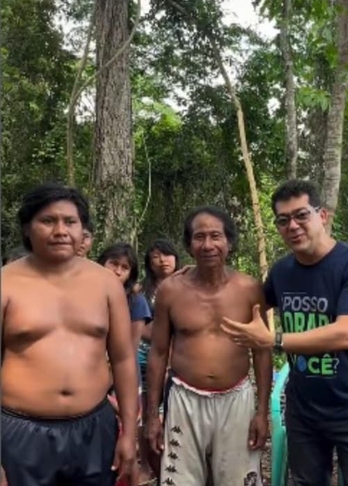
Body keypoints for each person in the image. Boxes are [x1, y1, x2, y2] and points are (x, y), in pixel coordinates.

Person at [219, 179, 348, 486]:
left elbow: (344, 334)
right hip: (304, 410)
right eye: (283, 220)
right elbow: (245, 301)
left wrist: (275, 340)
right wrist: (200, 277)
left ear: (322, 216)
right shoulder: (283, 272)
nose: (292, 226)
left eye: (301, 215)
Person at [1, 183, 138, 486]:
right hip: (20, 433)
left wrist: (129, 432)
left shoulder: (106, 284)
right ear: (27, 229)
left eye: (70, 222)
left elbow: (124, 360)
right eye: (48, 221)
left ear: (82, 229)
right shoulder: (5, 284)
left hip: (94, 428)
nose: (60, 230)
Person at [144, 206, 271, 485]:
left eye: (216, 236)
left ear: (229, 242)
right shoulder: (171, 291)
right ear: (189, 245)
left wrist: (262, 412)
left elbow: (262, 350)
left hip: (237, 399)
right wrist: (152, 416)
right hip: (184, 401)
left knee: (239, 480)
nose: (208, 245)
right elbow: (158, 352)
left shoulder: (249, 289)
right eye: (199, 237)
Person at [137, 238, 181, 480]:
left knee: (172, 411)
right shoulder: (141, 290)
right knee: (146, 412)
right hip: (144, 355)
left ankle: (171, 463)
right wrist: (163, 328)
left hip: (177, 356)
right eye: (155, 256)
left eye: (166, 254)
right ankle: (145, 464)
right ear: (148, 263)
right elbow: (138, 329)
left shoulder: (187, 284)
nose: (162, 260)